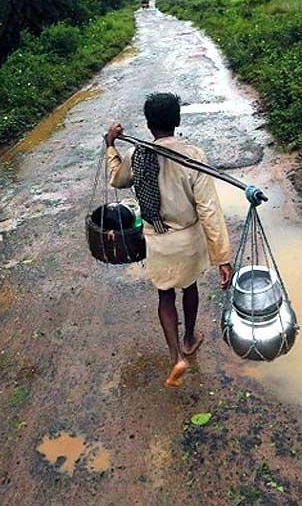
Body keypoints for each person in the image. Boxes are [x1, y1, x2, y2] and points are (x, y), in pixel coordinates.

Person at [104, 92, 233, 388]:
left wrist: (111, 146)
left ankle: (176, 356)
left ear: (149, 125)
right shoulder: (194, 157)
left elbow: (118, 180)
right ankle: (189, 339)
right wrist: (222, 257)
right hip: (187, 241)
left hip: (158, 241)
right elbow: (209, 210)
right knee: (189, 287)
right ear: (177, 121)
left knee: (165, 296)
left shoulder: (140, 155)